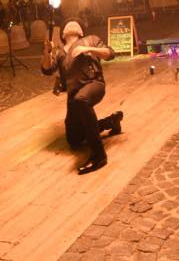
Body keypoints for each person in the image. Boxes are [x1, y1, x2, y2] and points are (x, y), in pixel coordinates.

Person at [41, 19, 123, 175]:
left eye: (75, 23)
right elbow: (47, 69)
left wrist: (88, 48)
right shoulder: (59, 52)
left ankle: (99, 155)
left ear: (81, 32)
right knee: (74, 139)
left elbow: (110, 53)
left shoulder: (90, 39)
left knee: (81, 100)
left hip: (94, 84)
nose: (71, 23)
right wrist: (46, 51)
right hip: (74, 97)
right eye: (68, 23)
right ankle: (111, 121)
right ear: (63, 34)